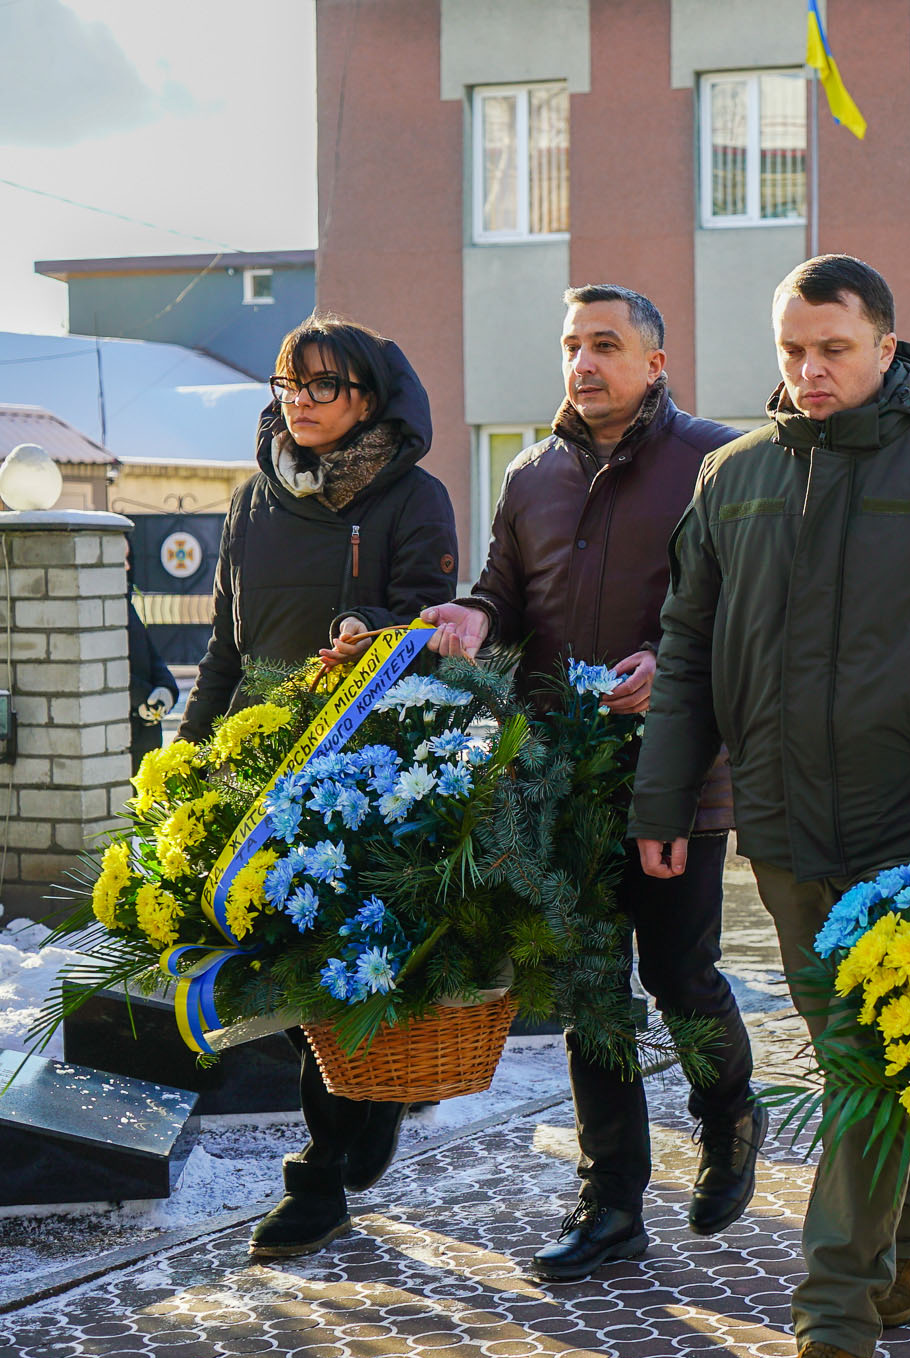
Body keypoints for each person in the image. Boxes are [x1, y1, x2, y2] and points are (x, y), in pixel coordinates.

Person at [628, 254, 910, 1358]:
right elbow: (686, 652)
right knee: (860, 1057)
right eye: (791, 349)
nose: (809, 370)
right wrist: (664, 791)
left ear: (886, 345)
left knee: (875, 1064)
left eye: (832, 348)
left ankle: (832, 1310)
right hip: (782, 830)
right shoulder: (732, 477)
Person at [354, 285, 758, 1281]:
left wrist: (674, 666)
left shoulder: (712, 462)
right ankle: (610, 1204)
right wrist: (470, 622)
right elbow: (500, 589)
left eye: (606, 345)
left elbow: (744, 603)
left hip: (674, 776)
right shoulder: (530, 472)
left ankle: (728, 1115)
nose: (584, 362)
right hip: (556, 783)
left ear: (654, 364)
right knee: (589, 993)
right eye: (572, 345)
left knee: (678, 976)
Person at [177, 315, 459, 1260]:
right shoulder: (251, 503)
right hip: (255, 772)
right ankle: (365, 1109)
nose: (299, 401)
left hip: (360, 775)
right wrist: (183, 760)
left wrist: (368, 624)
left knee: (323, 972)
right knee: (276, 971)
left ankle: (321, 1176)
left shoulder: (413, 498)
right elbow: (224, 646)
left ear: (369, 399)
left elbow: (429, 628)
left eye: (323, 386)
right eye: (289, 383)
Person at [125, 580, 177, 774]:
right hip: (125, 730)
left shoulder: (125, 603)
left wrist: (166, 687)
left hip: (146, 733)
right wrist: (143, 696)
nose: (127, 564)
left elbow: (150, 653)